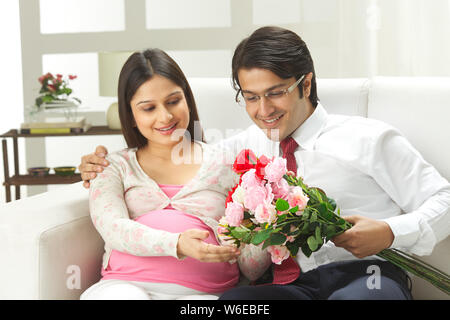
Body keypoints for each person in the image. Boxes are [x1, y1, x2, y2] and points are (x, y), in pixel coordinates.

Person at [79, 27, 450, 300]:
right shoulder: (239, 149)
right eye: (251, 97)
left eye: (275, 93)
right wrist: (96, 164)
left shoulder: (369, 138)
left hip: (367, 275)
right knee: (231, 306)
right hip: (290, 285)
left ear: (305, 84)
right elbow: (184, 160)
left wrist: (388, 231)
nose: (264, 110)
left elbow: (443, 200)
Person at [79, 48, 272, 300]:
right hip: (123, 286)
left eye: (173, 101)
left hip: (203, 295)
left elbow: (252, 269)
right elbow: (113, 229)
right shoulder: (112, 166)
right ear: (132, 115)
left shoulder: (229, 164)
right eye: (148, 108)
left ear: (187, 99)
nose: (165, 116)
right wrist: (177, 244)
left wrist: (265, 221)